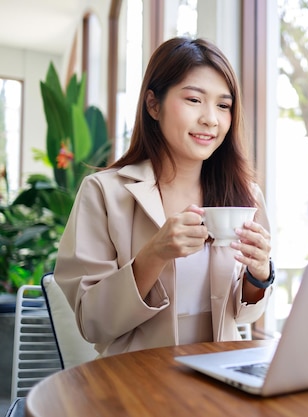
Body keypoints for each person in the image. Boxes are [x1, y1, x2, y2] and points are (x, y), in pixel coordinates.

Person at [54, 37, 274, 357]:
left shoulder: (246, 196)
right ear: (153, 105)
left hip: (221, 378)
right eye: (194, 100)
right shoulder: (103, 193)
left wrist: (260, 274)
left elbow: (247, 314)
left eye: (223, 105)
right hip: (136, 382)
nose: (211, 119)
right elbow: (92, 322)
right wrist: (153, 255)